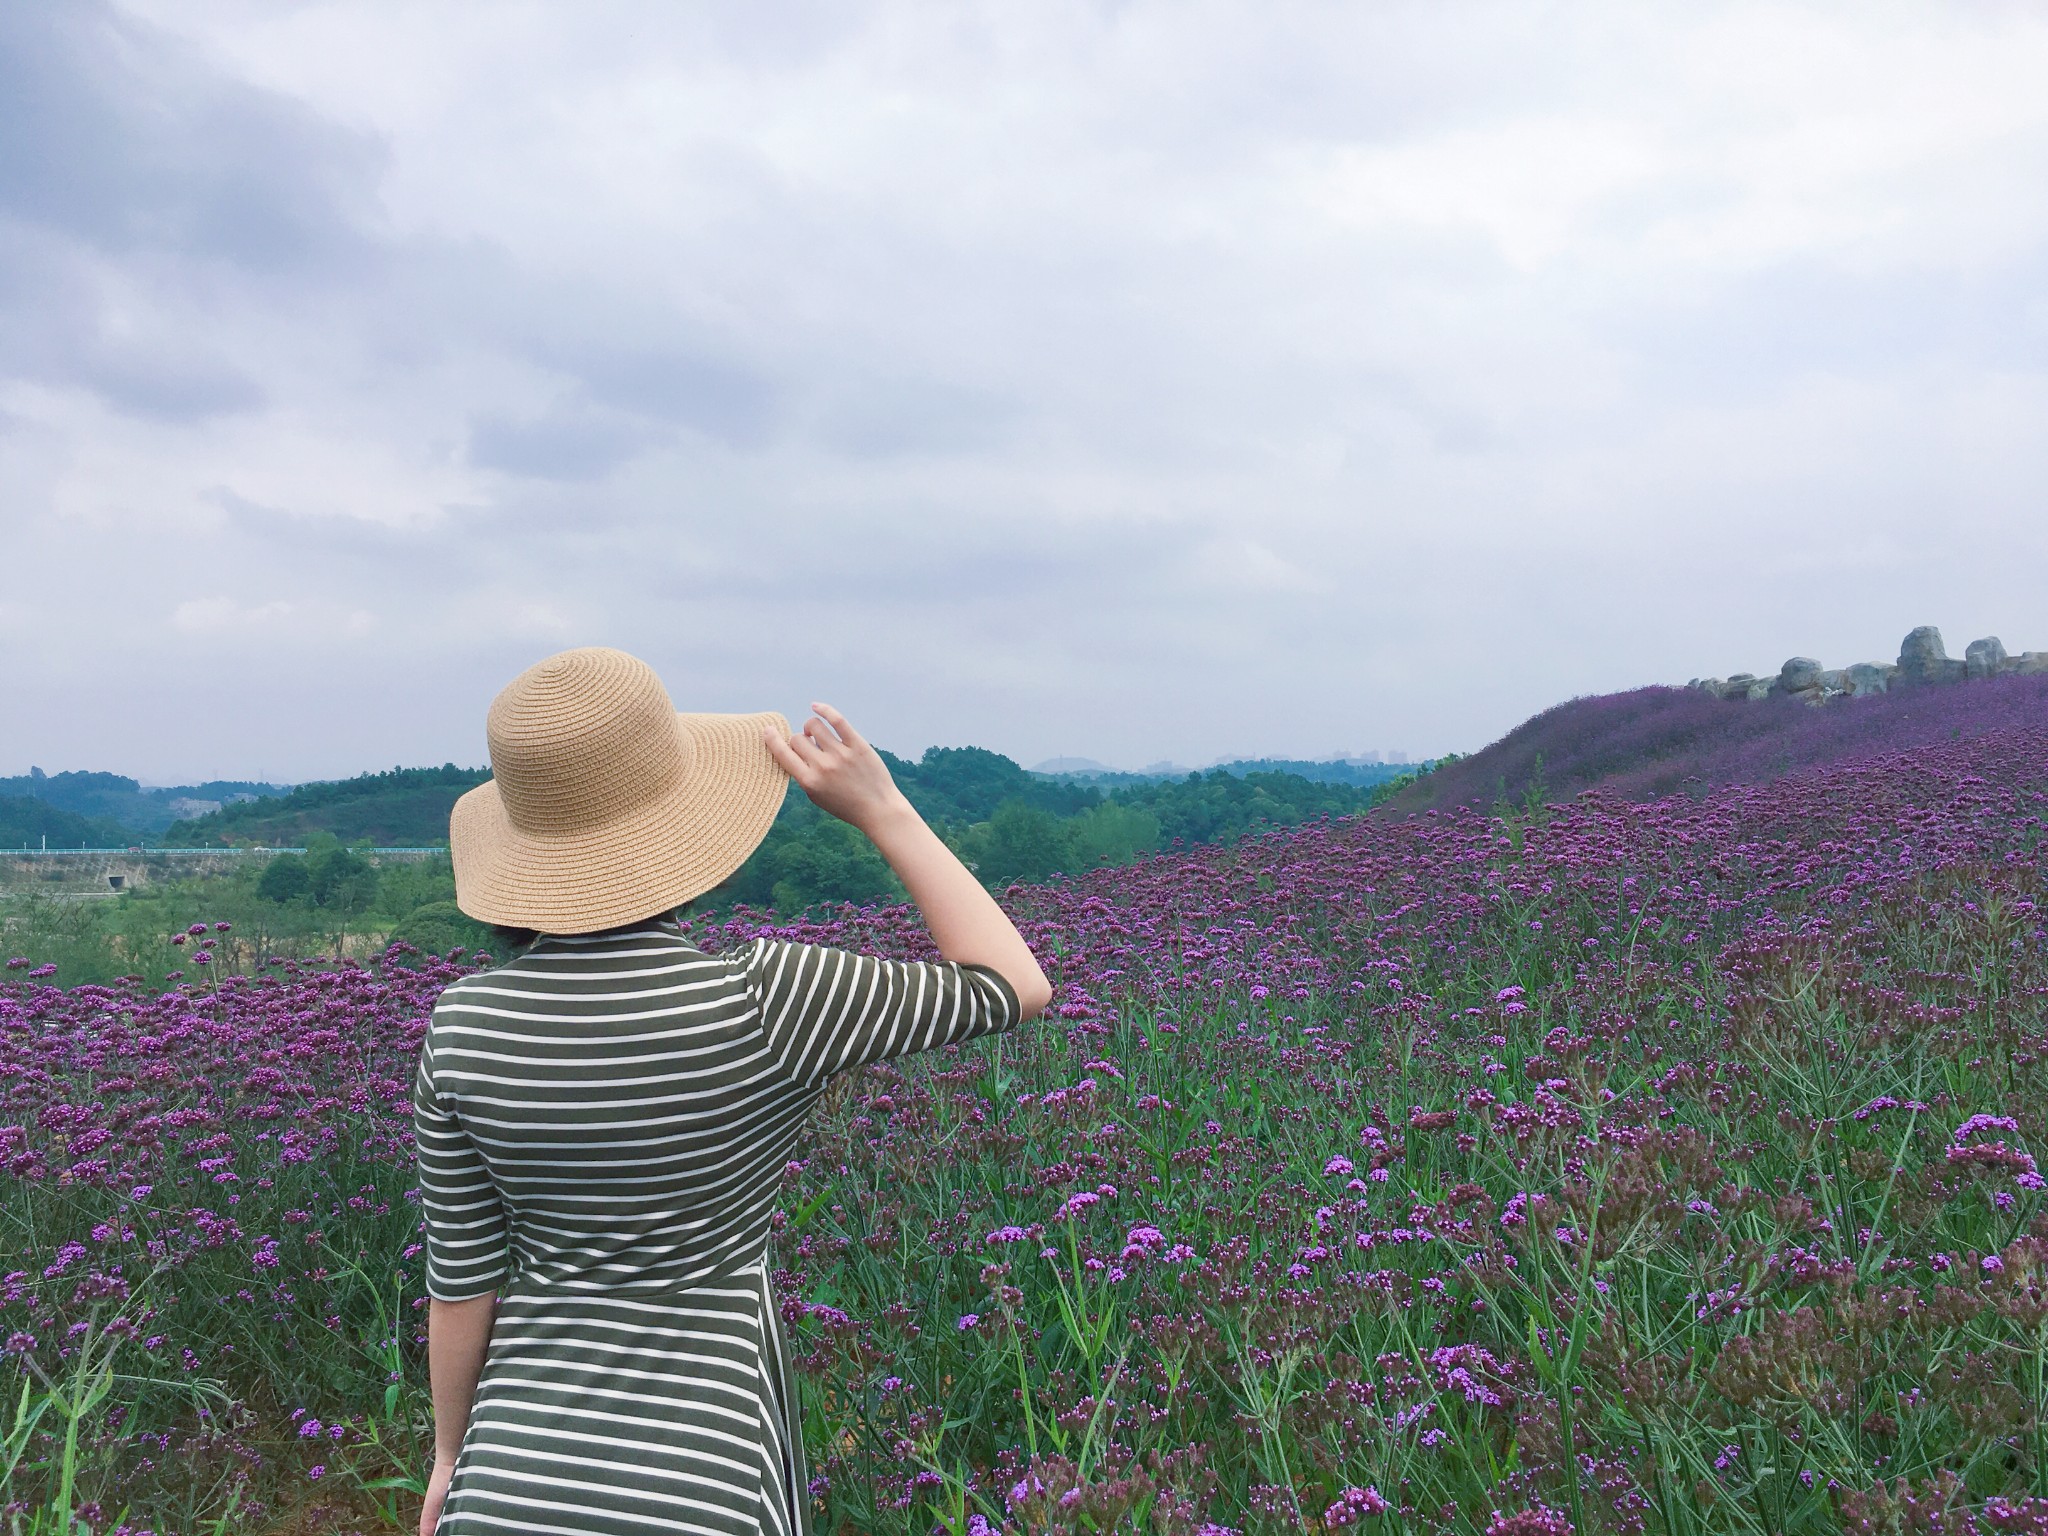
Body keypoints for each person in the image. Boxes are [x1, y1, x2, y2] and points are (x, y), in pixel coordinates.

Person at [413, 647, 1052, 1536]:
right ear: (681, 828)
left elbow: (462, 1282)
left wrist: (450, 1457)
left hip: (509, 1481)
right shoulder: (766, 1000)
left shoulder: (464, 1024)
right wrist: (887, 812)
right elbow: (1015, 985)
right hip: (708, 1479)